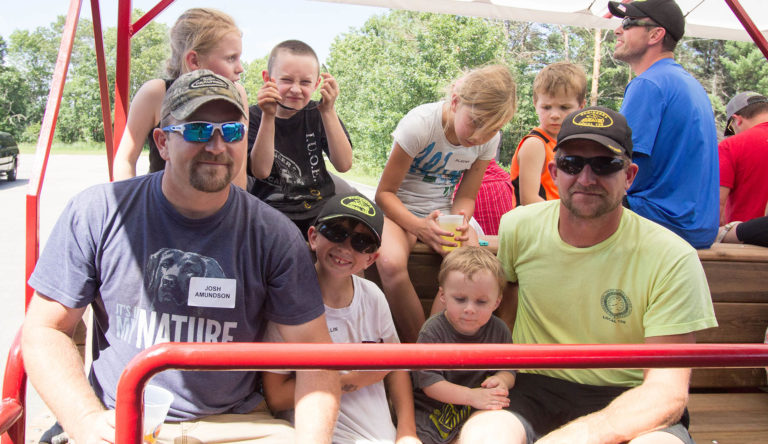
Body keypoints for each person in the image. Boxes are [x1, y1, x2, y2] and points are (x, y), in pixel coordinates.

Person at [22, 70, 340, 444]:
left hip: (234, 423)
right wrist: (85, 420)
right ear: (162, 142)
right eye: (198, 130)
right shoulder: (98, 212)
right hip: (120, 417)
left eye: (232, 132)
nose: (217, 146)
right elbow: (45, 329)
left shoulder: (274, 235)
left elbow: (316, 358)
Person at [464, 106, 717, 444]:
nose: (586, 178)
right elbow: (503, 312)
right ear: (554, 172)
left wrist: (575, 437)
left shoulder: (671, 257)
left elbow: (666, 391)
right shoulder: (519, 228)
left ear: (629, 176)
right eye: (572, 164)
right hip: (533, 388)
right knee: (483, 435)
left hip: (631, 394)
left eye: (605, 164)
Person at [261, 192, 420, 444]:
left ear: (371, 258)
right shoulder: (290, 304)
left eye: (362, 242)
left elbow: (396, 369)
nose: (346, 247)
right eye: (336, 232)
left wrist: (407, 433)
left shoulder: (373, 297)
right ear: (313, 237)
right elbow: (276, 396)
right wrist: (356, 379)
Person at [375, 64, 517, 343]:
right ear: (455, 102)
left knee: (470, 269)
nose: (479, 137)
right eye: (475, 122)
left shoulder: (487, 139)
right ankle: (421, 346)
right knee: (390, 263)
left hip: (443, 212)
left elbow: (466, 197)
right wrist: (419, 226)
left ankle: (444, 344)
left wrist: (461, 222)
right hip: (399, 209)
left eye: (493, 130)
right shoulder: (420, 125)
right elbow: (385, 193)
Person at [609, 0, 719, 249]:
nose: (617, 30)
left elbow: (619, 164)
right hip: (698, 228)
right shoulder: (689, 84)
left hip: (659, 223)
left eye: (628, 23)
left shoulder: (649, 84)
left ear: (655, 35)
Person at [113, 8, 250, 189]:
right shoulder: (156, 93)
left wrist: (235, 206)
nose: (240, 68)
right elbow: (125, 160)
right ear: (194, 61)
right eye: (231, 58)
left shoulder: (238, 94)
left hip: (218, 203)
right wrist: (131, 203)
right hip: (163, 200)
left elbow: (239, 172)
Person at [248, 39, 354, 238]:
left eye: (305, 82)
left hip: (321, 208)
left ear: (316, 84)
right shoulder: (253, 116)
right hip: (271, 209)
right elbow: (260, 171)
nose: (296, 89)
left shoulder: (319, 112)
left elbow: (344, 164)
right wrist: (268, 116)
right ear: (268, 79)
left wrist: (328, 111)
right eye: (287, 80)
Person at [412, 246, 516, 444]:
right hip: (431, 412)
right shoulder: (433, 331)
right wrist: (471, 396)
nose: (469, 309)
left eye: (481, 302)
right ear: (443, 296)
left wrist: (502, 380)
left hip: (477, 409)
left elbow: (509, 369)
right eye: (460, 299)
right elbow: (430, 384)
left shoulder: (499, 330)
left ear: (496, 303)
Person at [509, 61, 586, 205]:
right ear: (535, 104)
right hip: (537, 218)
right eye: (546, 107)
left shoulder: (571, 144)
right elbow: (529, 200)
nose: (554, 115)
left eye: (564, 107)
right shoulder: (535, 144)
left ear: (581, 107)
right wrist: (572, 215)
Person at [718, 91, 768, 224]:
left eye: (731, 128)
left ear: (737, 120)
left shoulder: (730, 146)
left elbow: (717, 206)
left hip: (745, 235)